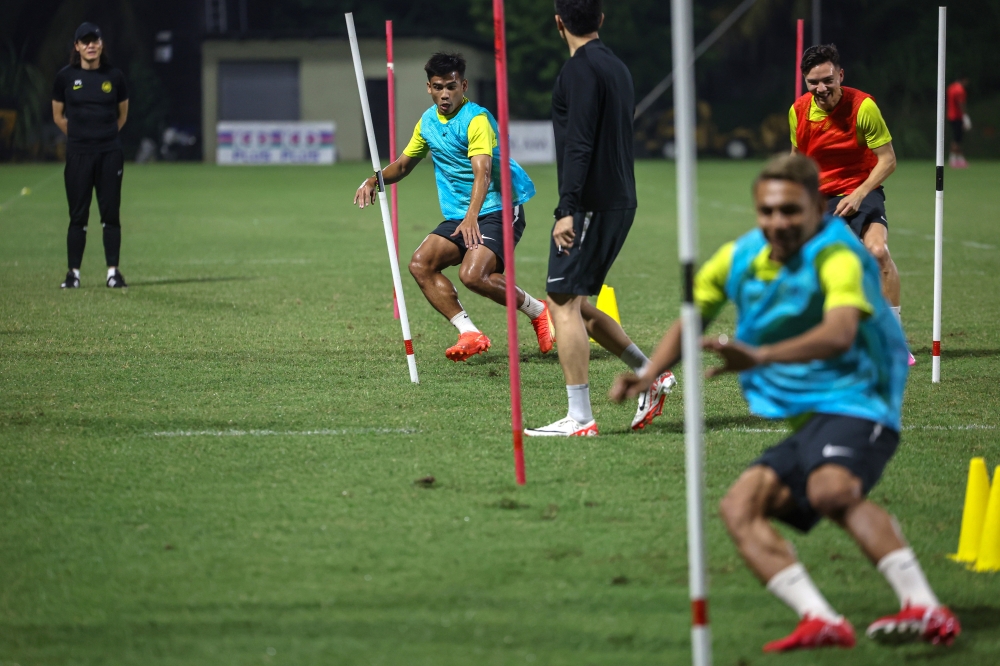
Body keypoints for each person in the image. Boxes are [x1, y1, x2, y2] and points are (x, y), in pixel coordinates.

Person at [611, 154, 960, 653]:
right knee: (739, 507)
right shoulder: (739, 257)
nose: (778, 222)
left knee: (831, 490)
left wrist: (759, 356)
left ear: (816, 207)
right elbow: (693, 317)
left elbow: (840, 333)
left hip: (862, 396)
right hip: (814, 415)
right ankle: (820, 619)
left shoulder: (838, 255)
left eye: (790, 211)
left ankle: (926, 606)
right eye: (768, 211)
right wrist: (647, 374)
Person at [523, 0, 674, 437]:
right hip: (619, 198)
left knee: (561, 302)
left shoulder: (578, 70)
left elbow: (580, 142)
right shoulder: (617, 67)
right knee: (579, 303)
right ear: (601, 20)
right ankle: (654, 375)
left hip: (588, 204)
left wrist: (566, 208)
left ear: (558, 22)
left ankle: (580, 418)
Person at [354, 53, 552, 362]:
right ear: (428, 88)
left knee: (473, 275)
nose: (445, 94)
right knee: (420, 264)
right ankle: (469, 332)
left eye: (452, 86)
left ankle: (539, 311)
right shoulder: (427, 122)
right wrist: (373, 180)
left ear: (464, 85)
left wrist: (472, 217)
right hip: (461, 213)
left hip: (498, 206)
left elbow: (483, 173)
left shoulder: (477, 119)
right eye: (438, 87)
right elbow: (405, 165)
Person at [790, 44, 914, 366]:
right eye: (813, 82)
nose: (821, 88)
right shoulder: (798, 111)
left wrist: (859, 192)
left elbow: (888, 160)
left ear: (840, 75)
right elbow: (797, 159)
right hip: (823, 197)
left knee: (878, 253)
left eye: (828, 80)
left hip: (863, 186)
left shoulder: (863, 107)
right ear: (805, 81)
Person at [52, 22, 129, 289]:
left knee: (110, 215)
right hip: (78, 155)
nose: (90, 45)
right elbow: (58, 116)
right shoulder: (65, 77)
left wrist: (103, 136)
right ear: (77, 47)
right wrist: (81, 137)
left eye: (94, 40)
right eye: (84, 41)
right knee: (78, 216)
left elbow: (122, 115)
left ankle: (113, 273)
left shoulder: (115, 77)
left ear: (101, 44)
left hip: (109, 154)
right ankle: (73, 274)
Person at [947, 76, 971, 168]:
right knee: (957, 138)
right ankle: (953, 159)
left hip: (951, 115)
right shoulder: (960, 90)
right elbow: (961, 103)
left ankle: (959, 158)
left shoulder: (951, 87)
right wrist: (965, 116)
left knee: (957, 138)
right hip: (957, 116)